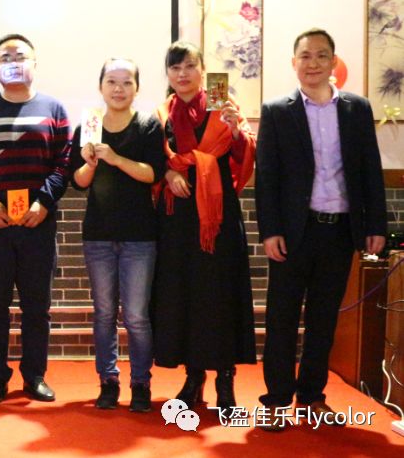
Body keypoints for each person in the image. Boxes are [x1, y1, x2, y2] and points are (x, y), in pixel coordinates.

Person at [256, 28, 387, 431]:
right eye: (305, 56)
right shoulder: (277, 111)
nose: (313, 63)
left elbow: (370, 170)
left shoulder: (356, 109)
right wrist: (270, 231)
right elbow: (267, 178)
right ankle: (277, 399)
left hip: (339, 231)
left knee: (323, 320)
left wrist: (376, 224)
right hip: (293, 233)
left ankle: (312, 396)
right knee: (281, 319)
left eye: (321, 55)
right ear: (294, 62)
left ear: (333, 61)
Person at [0, 33, 71, 404]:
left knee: (36, 308)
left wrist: (44, 203)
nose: (13, 62)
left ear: (34, 63)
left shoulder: (54, 108)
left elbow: (64, 162)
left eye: (20, 56)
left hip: (38, 223)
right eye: (5, 57)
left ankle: (34, 376)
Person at [151, 41, 256, 412]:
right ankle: (193, 377)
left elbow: (245, 155)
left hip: (218, 215)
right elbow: (152, 160)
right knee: (184, 294)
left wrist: (236, 131)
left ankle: (225, 378)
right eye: (175, 67)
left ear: (203, 70)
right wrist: (168, 173)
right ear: (168, 74)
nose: (182, 74)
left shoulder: (223, 106)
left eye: (189, 66)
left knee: (220, 294)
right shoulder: (161, 113)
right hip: (177, 218)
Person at [69, 58, 165, 413]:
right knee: (104, 313)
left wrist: (116, 158)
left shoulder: (148, 126)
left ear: (137, 88)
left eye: (126, 82)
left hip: (140, 235)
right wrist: (91, 163)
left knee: (137, 315)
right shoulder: (90, 124)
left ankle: (141, 383)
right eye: (111, 81)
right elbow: (78, 182)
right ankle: (108, 381)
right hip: (98, 234)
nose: (119, 89)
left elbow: (153, 174)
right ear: (101, 86)